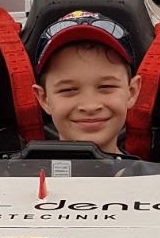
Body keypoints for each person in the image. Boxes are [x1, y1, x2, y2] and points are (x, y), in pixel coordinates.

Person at [32, 11, 141, 155]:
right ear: (44, 99)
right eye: (68, 90)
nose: (90, 106)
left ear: (132, 92)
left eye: (106, 87)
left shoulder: (156, 171)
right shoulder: (16, 170)